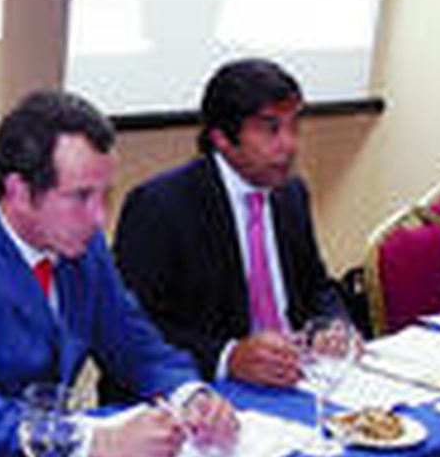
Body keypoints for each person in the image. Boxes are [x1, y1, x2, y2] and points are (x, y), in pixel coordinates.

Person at [0, 89, 238, 457]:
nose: (100, 218)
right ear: (19, 191)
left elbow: (136, 348)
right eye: (81, 197)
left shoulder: (83, 244)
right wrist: (90, 442)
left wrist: (190, 396)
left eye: (104, 195)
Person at [113, 58, 346, 388]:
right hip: (206, 389)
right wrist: (227, 356)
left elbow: (317, 286)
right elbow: (135, 330)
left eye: (294, 126)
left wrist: (332, 326)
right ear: (221, 137)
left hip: (298, 378)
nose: (290, 144)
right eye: (271, 129)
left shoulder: (291, 194)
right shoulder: (161, 206)